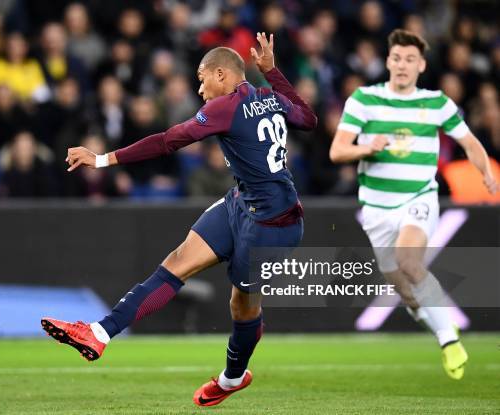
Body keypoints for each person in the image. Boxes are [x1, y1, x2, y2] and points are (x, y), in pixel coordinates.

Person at [41, 33, 316, 406]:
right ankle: (99, 333)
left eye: (202, 79)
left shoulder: (224, 108)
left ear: (222, 74)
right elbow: (309, 118)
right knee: (176, 263)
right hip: (241, 201)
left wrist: (102, 159)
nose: (200, 90)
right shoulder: (270, 95)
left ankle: (232, 378)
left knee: (242, 306)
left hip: (274, 225)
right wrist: (273, 72)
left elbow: (170, 140)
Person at [330, 29, 498, 380]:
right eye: (397, 58)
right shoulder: (364, 100)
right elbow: (337, 150)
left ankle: (448, 337)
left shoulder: (437, 104)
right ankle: (432, 319)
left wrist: (486, 173)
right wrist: (366, 147)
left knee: (410, 260)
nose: (402, 65)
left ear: (420, 65)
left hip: (418, 198)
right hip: (376, 208)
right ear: (388, 61)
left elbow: (469, 142)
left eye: (410, 59)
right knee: (406, 292)